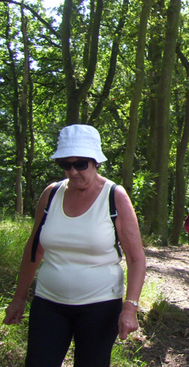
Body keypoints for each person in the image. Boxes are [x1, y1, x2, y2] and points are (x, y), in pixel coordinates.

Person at [3, 124, 146, 367]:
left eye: (80, 164)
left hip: (100, 307)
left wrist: (130, 307)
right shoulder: (51, 194)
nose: (73, 171)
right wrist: (19, 297)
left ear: (95, 161)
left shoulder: (115, 196)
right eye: (66, 164)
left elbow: (136, 259)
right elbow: (34, 249)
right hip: (48, 303)